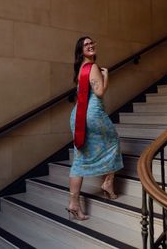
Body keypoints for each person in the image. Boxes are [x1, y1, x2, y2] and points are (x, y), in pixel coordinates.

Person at [66, 36, 123, 220]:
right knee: (113, 141)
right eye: (86, 45)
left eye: (92, 43)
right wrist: (106, 77)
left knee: (80, 158)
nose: (91, 46)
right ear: (81, 50)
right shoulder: (93, 67)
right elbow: (99, 92)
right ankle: (108, 182)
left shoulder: (81, 68)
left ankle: (74, 204)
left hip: (78, 115)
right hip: (92, 114)